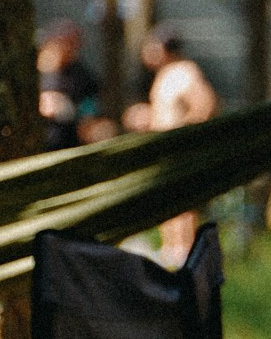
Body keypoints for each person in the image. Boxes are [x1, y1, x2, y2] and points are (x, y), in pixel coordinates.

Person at [124, 28, 220, 261]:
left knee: (182, 201)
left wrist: (184, 134)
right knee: (167, 200)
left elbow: (205, 104)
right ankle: (170, 250)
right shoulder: (164, 75)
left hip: (179, 148)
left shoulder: (184, 71)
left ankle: (184, 251)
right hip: (164, 148)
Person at [36, 22, 102, 151]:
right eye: (61, 42)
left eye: (72, 44)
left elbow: (90, 110)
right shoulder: (29, 70)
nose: (66, 48)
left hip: (67, 143)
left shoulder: (82, 76)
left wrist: (69, 110)